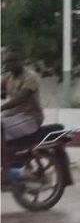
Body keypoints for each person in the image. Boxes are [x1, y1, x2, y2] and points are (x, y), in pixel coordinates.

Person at [2, 51, 45, 182]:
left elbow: (21, 97)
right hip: (14, 118)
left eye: (13, 61)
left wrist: (2, 107)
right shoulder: (9, 78)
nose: (9, 65)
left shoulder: (31, 77)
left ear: (21, 62)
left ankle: (6, 170)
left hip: (30, 118)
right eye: (7, 62)